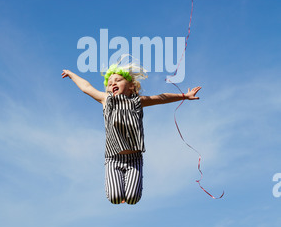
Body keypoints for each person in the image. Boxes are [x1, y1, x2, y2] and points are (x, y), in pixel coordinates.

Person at [62, 61, 201, 205]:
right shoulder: (106, 100)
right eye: (109, 83)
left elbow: (161, 98)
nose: (112, 84)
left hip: (134, 159)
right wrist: (72, 75)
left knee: (133, 199)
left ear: (131, 86)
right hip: (113, 159)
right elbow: (86, 87)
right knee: (115, 198)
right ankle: (116, 187)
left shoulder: (137, 101)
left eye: (118, 80)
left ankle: (130, 188)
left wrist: (184, 95)